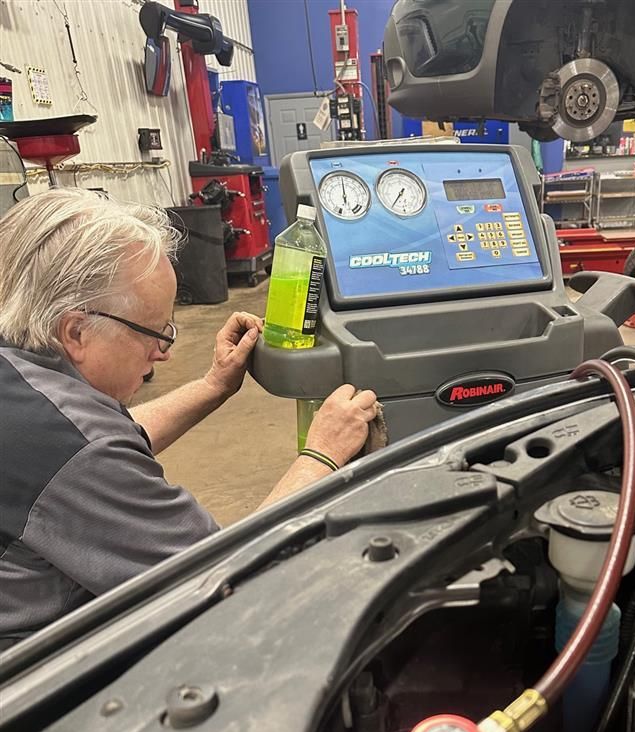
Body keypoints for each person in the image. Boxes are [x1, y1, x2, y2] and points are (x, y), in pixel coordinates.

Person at [0, 189, 377, 649]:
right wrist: (322, 455)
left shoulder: (24, 381)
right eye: (153, 332)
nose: (166, 350)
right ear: (76, 331)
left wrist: (213, 384)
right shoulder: (75, 451)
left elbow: (105, 441)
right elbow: (222, 578)